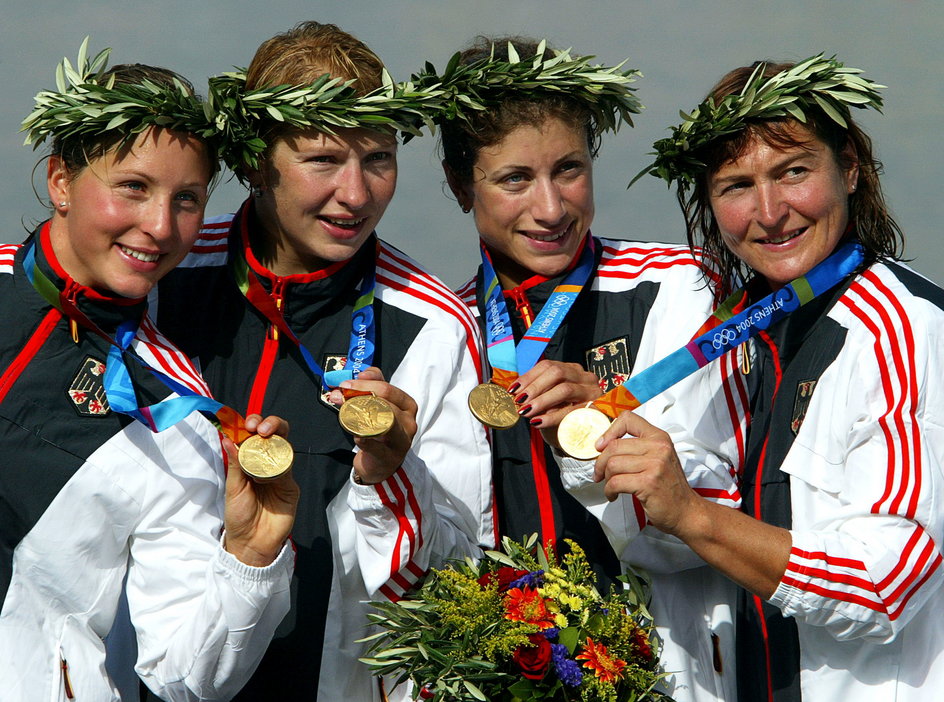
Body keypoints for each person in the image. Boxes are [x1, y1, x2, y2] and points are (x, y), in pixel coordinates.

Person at [152, 21, 493, 701]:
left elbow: (466, 574)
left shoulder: (434, 327)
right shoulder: (163, 281)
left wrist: (396, 477)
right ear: (253, 160)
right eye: (323, 160)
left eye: (378, 158)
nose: (358, 193)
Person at [597, 54, 944, 701]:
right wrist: (602, 437)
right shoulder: (754, 324)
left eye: (793, 172)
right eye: (736, 186)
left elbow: (889, 583)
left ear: (849, 167)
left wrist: (696, 517)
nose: (770, 211)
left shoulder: (904, 329)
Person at [426, 36, 741, 701]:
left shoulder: (682, 291)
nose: (551, 207)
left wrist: (605, 422)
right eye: (515, 179)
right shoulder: (441, 329)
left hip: (661, 674)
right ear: (460, 184)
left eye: (568, 169)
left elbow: (710, 525)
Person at [0, 42, 299, 701]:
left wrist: (252, 557)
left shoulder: (178, 411)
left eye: (187, 200)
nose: (160, 226)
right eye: (133, 187)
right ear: (60, 182)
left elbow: (185, 679)